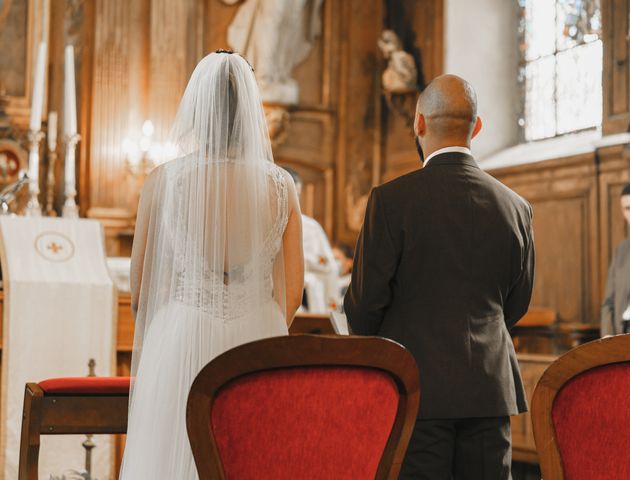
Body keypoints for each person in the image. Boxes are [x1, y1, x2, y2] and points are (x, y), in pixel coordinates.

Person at [119, 51, 304, 479]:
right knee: (253, 458)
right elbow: (292, 292)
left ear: (198, 110)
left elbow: (141, 284)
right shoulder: (281, 186)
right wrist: (261, 321)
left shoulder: (163, 181)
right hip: (259, 337)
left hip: (181, 333)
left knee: (173, 457)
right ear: (252, 113)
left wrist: (167, 329)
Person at [344, 74, 534, 479]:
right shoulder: (516, 207)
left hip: (416, 391)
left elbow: (362, 311)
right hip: (490, 394)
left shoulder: (390, 202)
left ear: (419, 123)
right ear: (476, 127)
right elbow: (516, 304)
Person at [284, 167, 341, 313]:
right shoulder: (262, 223)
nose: (294, 201)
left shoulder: (311, 227)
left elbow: (329, 266)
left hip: (308, 297)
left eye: (297, 195)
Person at [601, 180, 630, 336]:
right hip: (619, 338)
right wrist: (607, 337)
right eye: (628, 208)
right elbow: (608, 302)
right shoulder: (621, 249)